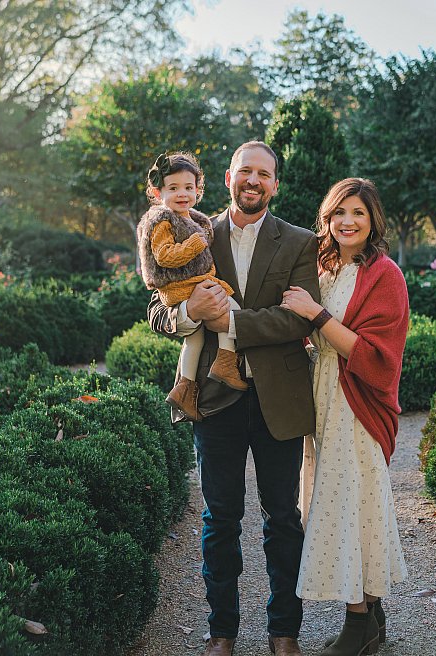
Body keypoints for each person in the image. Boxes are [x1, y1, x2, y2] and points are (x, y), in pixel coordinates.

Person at [147, 141, 320, 656]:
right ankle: (221, 632)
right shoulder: (191, 230)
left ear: (275, 184)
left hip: (279, 399)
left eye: (263, 174)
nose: (254, 181)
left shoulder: (300, 242)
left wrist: (232, 322)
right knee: (219, 519)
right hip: (214, 399)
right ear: (226, 178)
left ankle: (284, 631)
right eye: (245, 171)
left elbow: (297, 319)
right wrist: (191, 312)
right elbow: (159, 310)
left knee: (283, 518)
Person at [280, 178, 409, 656]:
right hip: (324, 398)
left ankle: (357, 624)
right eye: (338, 214)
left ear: (372, 218)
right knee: (339, 504)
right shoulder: (324, 267)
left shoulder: (384, 275)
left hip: (357, 405)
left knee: (353, 507)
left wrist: (315, 317)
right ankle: (372, 619)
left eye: (357, 212)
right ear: (327, 219)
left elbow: (376, 356)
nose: (347, 222)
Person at [138, 151, 247, 423]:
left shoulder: (193, 219)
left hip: (191, 284)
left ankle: (185, 387)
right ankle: (225, 361)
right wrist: (195, 244)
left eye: (189, 187)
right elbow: (164, 256)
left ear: (198, 189)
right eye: (173, 188)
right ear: (157, 191)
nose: (182, 194)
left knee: (194, 338)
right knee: (230, 306)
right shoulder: (162, 220)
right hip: (183, 287)